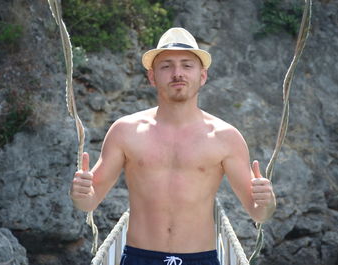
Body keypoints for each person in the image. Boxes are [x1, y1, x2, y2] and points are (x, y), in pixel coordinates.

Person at [70, 27, 276, 265]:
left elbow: (259, 213)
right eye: (166, 66)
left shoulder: (226, 137)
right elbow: (89, 202)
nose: (177, 73)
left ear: (202, 76)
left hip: (199, 260)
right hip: (140, 258)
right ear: (152, 76)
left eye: (187, 65)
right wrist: (80, 193)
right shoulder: (125, 131)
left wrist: (267, 201)